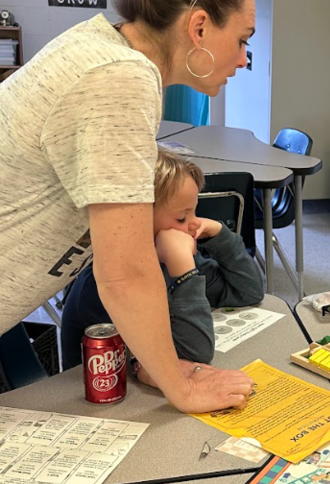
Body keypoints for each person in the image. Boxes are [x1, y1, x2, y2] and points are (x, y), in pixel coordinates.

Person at [0, 0, 256, 412]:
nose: (245, 58)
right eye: (244, 38)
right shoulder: (121, 75)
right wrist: (181, 385)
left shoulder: (105, 47)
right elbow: (125, 271)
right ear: (201, 27)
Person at [61, 147, 264, 368]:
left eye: (195, 211)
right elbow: (193, 355)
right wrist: (184, 273)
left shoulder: (168, 257)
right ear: (135, 220)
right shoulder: (102, 286)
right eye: (181, 217)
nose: (194, 224)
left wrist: (220, 235)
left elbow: (248, 292)